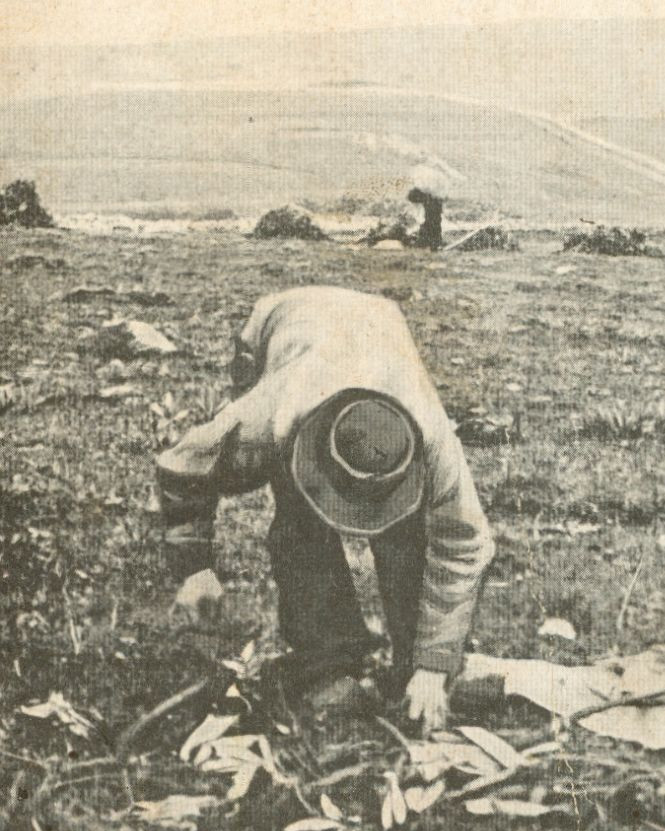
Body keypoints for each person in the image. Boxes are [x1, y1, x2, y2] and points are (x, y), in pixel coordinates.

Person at [155, 287, 494, 731]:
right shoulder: (272, 417)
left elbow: (463, 543)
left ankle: (411, 667)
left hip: (379, 324)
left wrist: (434, 663)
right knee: (301, 528)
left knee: (409, 536)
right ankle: (328, 661)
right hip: (285, 321)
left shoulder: (431, 443)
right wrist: (194, 567)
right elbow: (185, 464)